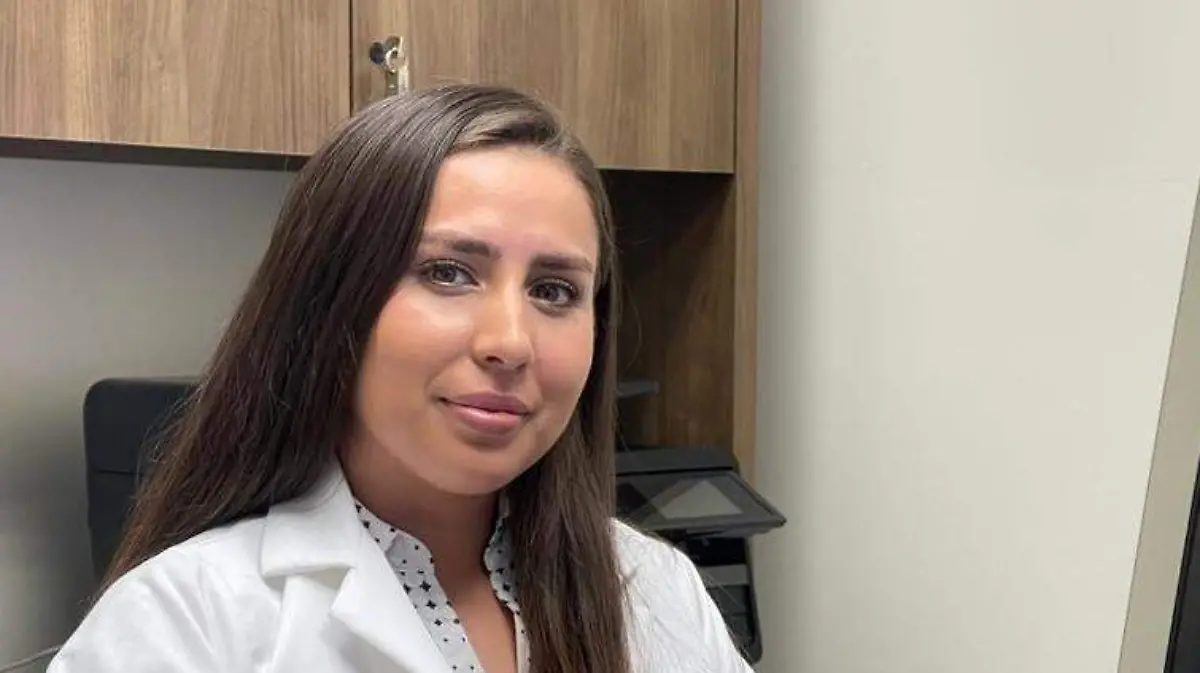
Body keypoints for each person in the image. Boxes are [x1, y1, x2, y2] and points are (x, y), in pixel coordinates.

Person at [46, 84, 752, 673]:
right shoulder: (185, 624)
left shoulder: (656, 594)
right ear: (329, 303)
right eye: (448, 273)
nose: (510, 342)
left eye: (554, 290)